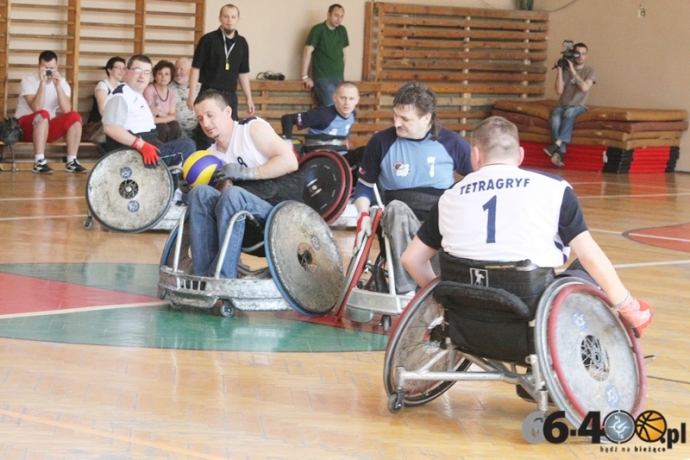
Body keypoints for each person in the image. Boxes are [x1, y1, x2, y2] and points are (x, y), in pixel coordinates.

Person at [402, 116, 653, 337]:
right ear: (520, 155)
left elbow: (411, 259)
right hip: (529, 308)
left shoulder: (450, 196)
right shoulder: (555, 189)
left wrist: (442, 298)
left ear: (475, 156)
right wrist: (627, 305)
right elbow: (590, 257)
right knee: (584, 269)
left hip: (466, 308)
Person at [353, 82, 473, 294]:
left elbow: (477, 182)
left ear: (426, 118)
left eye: (405, 119)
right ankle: (406, 290)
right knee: (396, 208)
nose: (397, 123)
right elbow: (364, 187)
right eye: (395, 116)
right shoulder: (380, 142)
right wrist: (363, 214)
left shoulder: (453, 143)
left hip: (438, 219)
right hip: (397, 218)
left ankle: (440, 288)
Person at [188, 90, 302, 279]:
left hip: (280, 211)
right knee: (199, 193)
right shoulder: (210, 156)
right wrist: (189, 188)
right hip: (243, 221)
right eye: (200, 119)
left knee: (234, 195)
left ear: (227, 112)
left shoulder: (251, 129)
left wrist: (247, 173)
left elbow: (290, 161)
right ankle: (205, 278)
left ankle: (224, 278)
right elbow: (217, 199)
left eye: (210, 115)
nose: (205, 123)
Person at [102, 54, 195, 182]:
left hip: (149, 146)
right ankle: (173, 193)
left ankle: (169, 189)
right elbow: (110, 128)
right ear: (126, 72)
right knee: (186, 147)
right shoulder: (121, 96)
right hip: (137, 154)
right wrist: (141, 145)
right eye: (138, 71)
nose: (142, 76)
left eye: (146, 72)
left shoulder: (136, 95)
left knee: (185, 142)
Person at [15, 50, 86, 173]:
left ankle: (71, 161)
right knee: (43, 114)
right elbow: (36, 108)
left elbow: (66, 110)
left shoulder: (62, 83)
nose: (48, 71)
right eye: (45, 68)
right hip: (24, 128)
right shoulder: (28, 80)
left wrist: (57, 86)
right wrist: (43, 83)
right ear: (39, 67)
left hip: (45, 128)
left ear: (57, 67)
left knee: (74, 116)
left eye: (51, 68)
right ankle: (39, 161)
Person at [187, 4, 255, 133]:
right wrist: (191, 94)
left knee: (231, 130)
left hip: (230, 94)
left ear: (238, 19)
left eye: (233, 17)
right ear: (220, 18)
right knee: (208, 129)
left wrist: (249, 98)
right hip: (209, 92)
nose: (229, 20)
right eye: (226, 16)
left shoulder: (242, 43)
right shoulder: (207, 40)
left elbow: (243, 73)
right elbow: (195, 68)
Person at [280, 80, 362, 171]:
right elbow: (287, 119)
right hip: (319, 159)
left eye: (351, 99)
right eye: (343, 98)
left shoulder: (352, 115)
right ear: (335, 97)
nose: (347, 103)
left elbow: (344, 129)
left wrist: (346, 141)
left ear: (357, 100)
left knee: (368, 151)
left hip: (341, 158)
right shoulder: (322, 115)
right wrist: (288, 146)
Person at [543, 42, 596, 168]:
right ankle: (559, 153)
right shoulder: (565, 70)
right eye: (577, 53)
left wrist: (572, 69)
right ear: (573, 54)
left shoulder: (589, 70)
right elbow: (559, 91)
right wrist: (560, 70)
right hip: (562, 104)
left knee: (569, 113)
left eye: (583, 54)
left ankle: (556, 145)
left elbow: (584, 88)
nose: (580, 56)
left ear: (586, 56)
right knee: (555, 118)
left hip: (579, 106)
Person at [301, 4, 349, 107]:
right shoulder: (318, 29)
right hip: (323, 78)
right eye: (336, 15)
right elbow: (307, 51)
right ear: (328, 14)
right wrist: (305, 76)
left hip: (339, 78)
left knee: (341, 109)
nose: (339, 19)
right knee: (330, 109)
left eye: (341, 16)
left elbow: (344, 53)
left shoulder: (342, 30)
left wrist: (341, 71)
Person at [84, 56, 126, 147]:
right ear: (109, 70)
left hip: (116, 124)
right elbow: (102, 111)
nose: (122, 71)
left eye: (123, 68)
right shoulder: (103, 85)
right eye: (118, 68)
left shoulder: (122, 86)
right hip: (99, 126)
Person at [144, 60, 181, 143]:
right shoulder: (149, 90)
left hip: (162, 121)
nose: (163, 76)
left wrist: (159, 113)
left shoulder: (171, 93)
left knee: (175, 125)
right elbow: (152, 118)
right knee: (164, 128)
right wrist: (167, 117)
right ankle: (162, 153)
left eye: (167, 74)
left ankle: (173, 151)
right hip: (151, 124)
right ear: (155, 75)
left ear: (171, 77)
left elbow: (174, 116)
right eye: (160, 73)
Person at [169, 57, 199, 139]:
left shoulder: (199, 87)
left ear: (190, 71)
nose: (178, 72)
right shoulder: (168, 89)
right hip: (178, 132)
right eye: (176, 69)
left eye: (182, 69)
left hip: (199, 130)